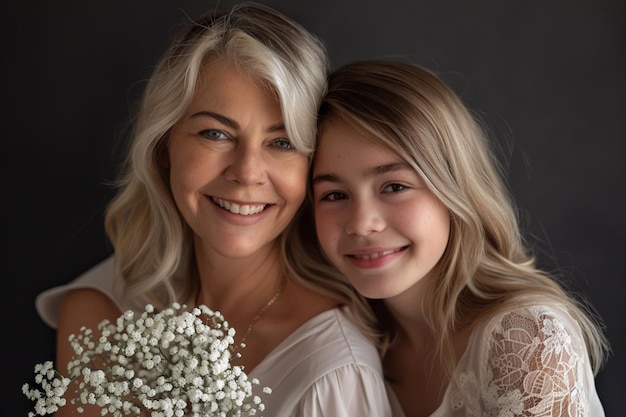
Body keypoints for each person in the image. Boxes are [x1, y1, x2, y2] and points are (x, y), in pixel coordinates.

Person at [35, 4, 391, 416]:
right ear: (165, 144)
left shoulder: (334, 373)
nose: (246, 173)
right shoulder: (103, 311)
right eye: (215, 133)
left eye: (282, 142)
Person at [309, 60, 609, 417]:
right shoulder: (340, 339)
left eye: (394, 186)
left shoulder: (526, 341)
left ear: (454, 189)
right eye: (334, 195)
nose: (361, 224)